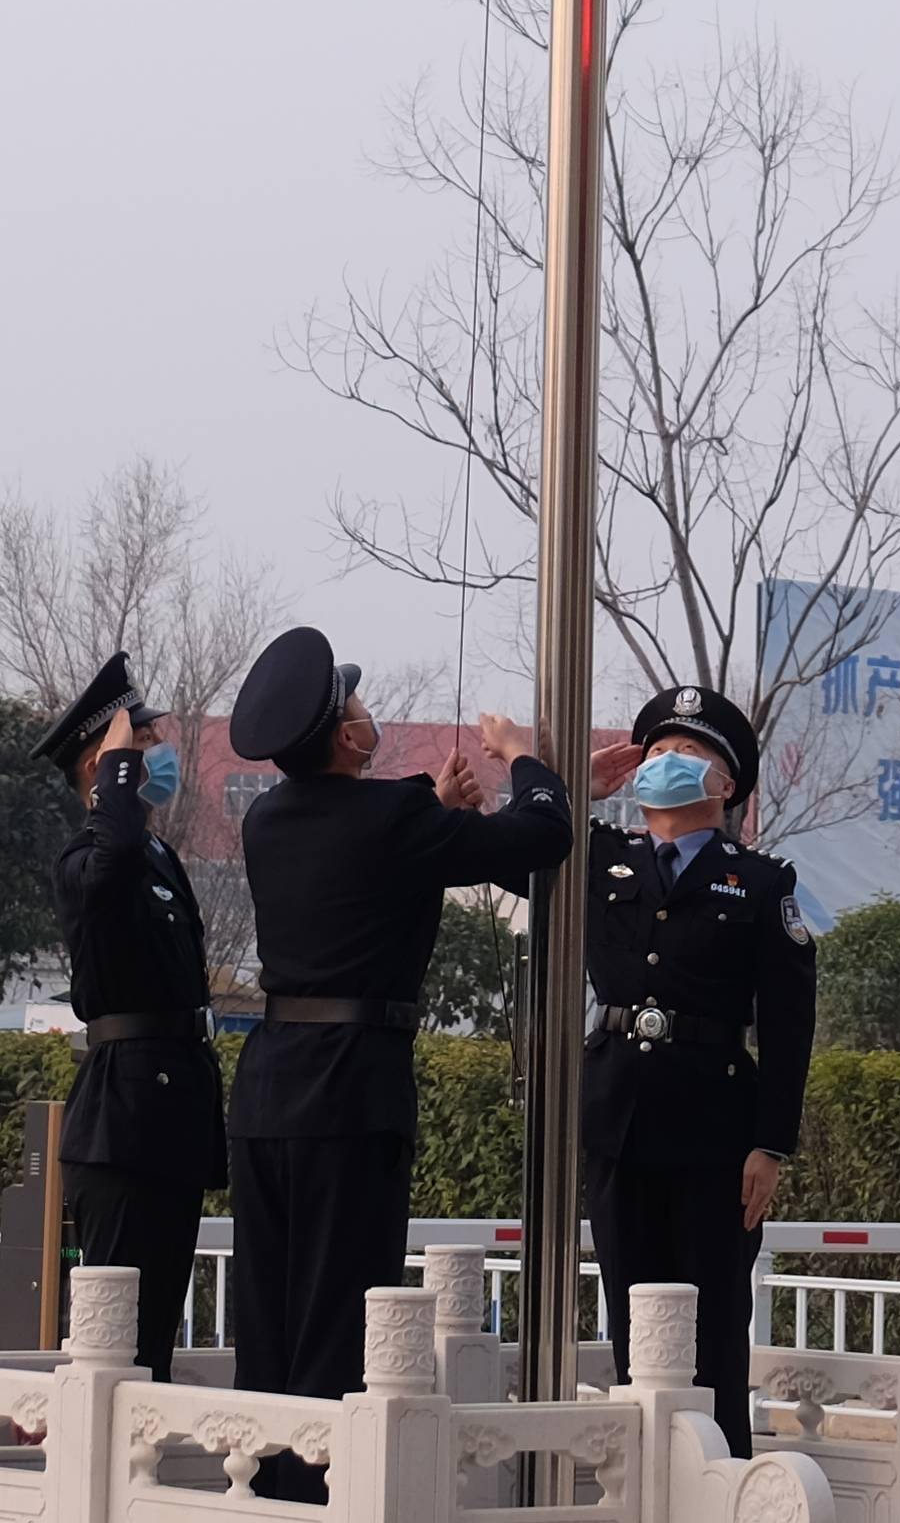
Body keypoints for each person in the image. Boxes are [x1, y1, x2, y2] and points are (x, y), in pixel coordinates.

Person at [225, 625, 567, 1462]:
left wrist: (432, 806)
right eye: (357, 703)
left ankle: (267, 1493)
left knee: (269, 1313)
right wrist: (526, 761)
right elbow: (542, 837)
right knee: (341, 1312)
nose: (366, 707)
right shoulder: (395, 819)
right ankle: (319, 1495)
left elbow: (364, 840)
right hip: (351, 1091)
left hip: (269, 1088)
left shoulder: (267, 820)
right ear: (348, 737)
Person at [582, 684, 815, 1452]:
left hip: (715, 1133)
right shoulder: (601, 861)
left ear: (726, 786)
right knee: (633, 1319)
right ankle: (644, 1486)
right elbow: (518, 849)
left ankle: (718, 1484)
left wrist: (770, 1144)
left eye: (687, 754)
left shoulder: (759, 882)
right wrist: (577, 788)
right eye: (655, 752)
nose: (665, 765)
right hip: (618, 1119)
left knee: (711, 1326)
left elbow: (787, 1024)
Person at [45, 651, 220, 1378]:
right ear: (101, 765)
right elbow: (108, 864)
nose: (156, 755)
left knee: (155, 1346)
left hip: (171, 1111)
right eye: (139, 745)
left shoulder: (153, 854)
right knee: (116, 1346)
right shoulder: (88, 859)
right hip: (122, 1122)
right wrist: (115, 776)